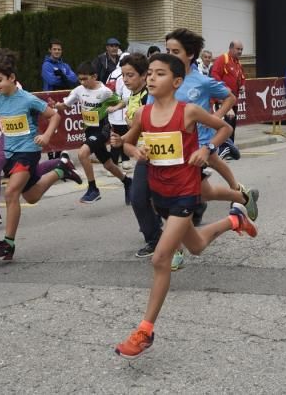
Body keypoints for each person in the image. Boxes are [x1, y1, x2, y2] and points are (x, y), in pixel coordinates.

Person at [113, 53, 257, 359]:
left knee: (161, 258)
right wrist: (130, 149)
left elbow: (224, 129)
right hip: (160, 194)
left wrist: (206, 148)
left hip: (185, 193)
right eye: (149, 73)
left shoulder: (189, 111)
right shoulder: (144, 114)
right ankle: (235, 220)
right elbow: (126, 142)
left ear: (176, 82)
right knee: (197, 245)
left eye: (159, 74)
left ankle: (144, 330)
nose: (151, 78)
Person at [159, 28, 259, 272]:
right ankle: (241, 197)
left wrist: (214, 116)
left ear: (190, 54)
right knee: (201, 193)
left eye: (175, 51)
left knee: (183, 195)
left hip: (197, 144)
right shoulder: (164, 78)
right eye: (167, 51)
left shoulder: (201, 81)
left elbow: (230, 97)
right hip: (167, 150)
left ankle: (176, 248)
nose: (170, 55)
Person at [0, 50, 77, 260]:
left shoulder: (28, 99)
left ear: (12, 78)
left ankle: (7, 244)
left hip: (28, 152)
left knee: (11, 193)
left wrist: (46, 136)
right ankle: (60, 169)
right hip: (10, 154)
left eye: (0, 80)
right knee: (31, 196)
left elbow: (54, 115)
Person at [58, 62, 131, 204]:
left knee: (82, 153)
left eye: (85, 78)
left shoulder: (104, 91)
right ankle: (127, 181)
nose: (83, 82)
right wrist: (56, 106)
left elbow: (122, 102)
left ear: (94, 76)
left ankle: (93, 189)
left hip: (102, 130)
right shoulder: (79, 90)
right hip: (89, 130)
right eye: (80, 79)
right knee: (108, 164)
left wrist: (114, 108)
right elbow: (65, 105)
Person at [115, 54, 162, 257]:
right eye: (124, 75)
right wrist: (125, 141)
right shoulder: (133, 96)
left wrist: (123, 139)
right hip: (143, 154)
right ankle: (154, 237)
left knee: (145, 197)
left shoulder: (148, 96)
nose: (125, 79)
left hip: (157, 152)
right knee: (139, 197)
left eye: (131, 75)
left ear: (144, 75)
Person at [210, 40, 246, 153]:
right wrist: (224, 89)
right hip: (222, 99)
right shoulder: (222, 59)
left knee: (232, 125)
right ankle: (221, 149)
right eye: (238, 49)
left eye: (241, 49)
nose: (240, 51)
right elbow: (214, 76)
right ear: (231, 48)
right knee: (225, 125)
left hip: (233, 100)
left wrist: (243, 86)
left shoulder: (238, 63)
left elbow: (243, 78)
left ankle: (230, 148)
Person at [105, 51, 132, 170]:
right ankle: (115, 164)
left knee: (119, 137)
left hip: (116, 113)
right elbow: (126, 98)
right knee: (119, 138)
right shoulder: (124, 76)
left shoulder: (113, 73)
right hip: (121, 112)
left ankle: (122, 161)